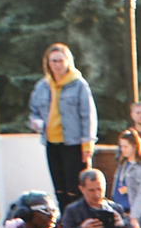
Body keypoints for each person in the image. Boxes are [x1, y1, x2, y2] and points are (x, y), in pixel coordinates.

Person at [27, 42, 98, 207]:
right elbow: (33, 110)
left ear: (68, 62)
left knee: (74, 188)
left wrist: (88, 145)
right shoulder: (42, 86)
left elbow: (88, 115)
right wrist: (36, 123)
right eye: (53, 61)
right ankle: (65, 224)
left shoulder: (79, 84)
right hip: (51, 143)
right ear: (48, 63)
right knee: (59, 188)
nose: (57, 65)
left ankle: (78, 221)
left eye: (60, 60)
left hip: (73, 143)